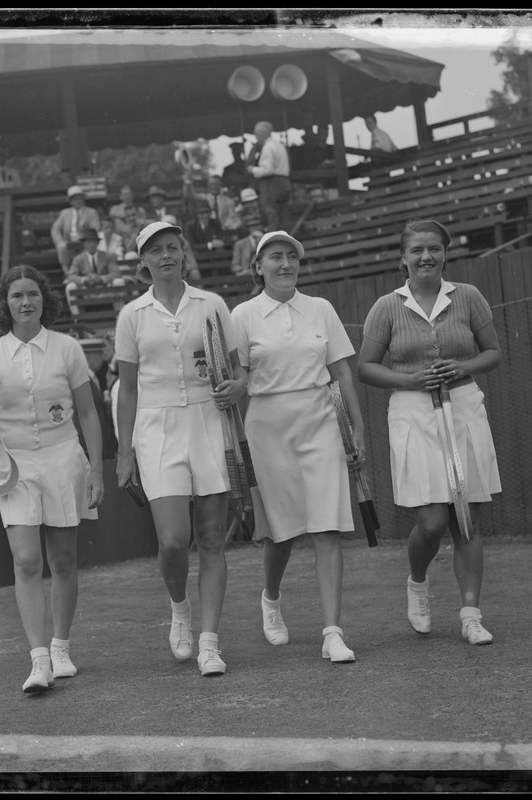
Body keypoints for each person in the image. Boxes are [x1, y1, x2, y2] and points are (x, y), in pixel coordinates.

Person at [358, 219, 502, 647]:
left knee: (467, 518)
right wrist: (410, 380)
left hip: (463, 408)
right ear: (402, 258)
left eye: (435, 249)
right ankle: (417, 584)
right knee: (434, 519)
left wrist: (464, 367)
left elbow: (493, 352)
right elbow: (366, 367)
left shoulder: (469, 297)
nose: (427, 257)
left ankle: (470, 615)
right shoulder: (386, 307)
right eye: (417, 250)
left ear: (445, 253)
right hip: (413, 412)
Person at [114, 220, 247, 677]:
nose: (167, 255)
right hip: (157, 428)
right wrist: (124, 450)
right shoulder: (132, 315)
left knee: (211, 538)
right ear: (144, 262)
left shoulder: (212, 304)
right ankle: (179, 607)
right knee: (173, 541)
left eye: (174, 247)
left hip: (209, 422)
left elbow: (236, 369)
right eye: (157, 250)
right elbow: (127, 390)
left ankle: (209, 642)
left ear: (184, 254)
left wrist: (236, 387)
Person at [0, 264, 104, 694]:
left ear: (45, 300)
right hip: (13, 466)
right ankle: (38, 660)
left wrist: (96, 468)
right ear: (4, 304)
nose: (26, 302)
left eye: (33, 295)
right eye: (17, 296)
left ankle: (61, 648)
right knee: (26, 561)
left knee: (62, 561)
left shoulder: (67, 348)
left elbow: (87, 414)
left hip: (64, 459)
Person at [230, 231, 363, 662]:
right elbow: (240, 380)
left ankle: (332, 633)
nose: (285, 264)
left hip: (321, 420)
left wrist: (356, 428)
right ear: (258, 267)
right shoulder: (243, 315)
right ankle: (271, 599)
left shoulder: (321, 309)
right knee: (281, 533)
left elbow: (342, 371)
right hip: (267, 427)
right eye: (275, 257)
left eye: (291, 257)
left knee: (327, 526)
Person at [63, 226, 127, 318]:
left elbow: (117, 273)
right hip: (86, 290)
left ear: (97, 243)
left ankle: (120, 316)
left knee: (119, 282)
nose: (91, 245)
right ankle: (77, 319)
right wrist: (84, 280)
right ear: (84, 244)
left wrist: (101, 279)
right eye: (89, 242)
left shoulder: (106, 256)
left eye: (94, 242)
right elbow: (70, 276)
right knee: (70, 286)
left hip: (105, 289)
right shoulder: (79, 258)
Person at [246, 121, 292, 231]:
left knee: (270, 212)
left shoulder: (268, 147)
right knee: (283, 215)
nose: (256, 137)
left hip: (272, 184)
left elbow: (268, 170)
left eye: (256, 134)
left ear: (263, 133)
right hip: (284, 182)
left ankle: (272, 240)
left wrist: (252, 169)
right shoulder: (279, 146)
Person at [51, 185, 101, 271]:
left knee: (89, 245)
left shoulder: (91, 212)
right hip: (69, 242)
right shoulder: (65, 213)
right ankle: (67, 272)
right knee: (62, 247)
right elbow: (55, 229)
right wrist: (60, 242)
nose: (78, 201)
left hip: (84, 241)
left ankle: (88, 271)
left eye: (79, 198)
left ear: (83, 199)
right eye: (75, 199)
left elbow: (95, 228)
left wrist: (85, 238)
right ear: (70, 201)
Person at [199, 175, 243, 241]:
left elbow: (232, 217)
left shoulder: (229, 201)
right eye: (211, 184)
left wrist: (225, 226)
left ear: (220, 185)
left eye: (215, 184)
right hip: (207, 233)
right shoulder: (203, 199)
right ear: (208, 186)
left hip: (225, 231)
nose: (213, 186)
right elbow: (189, 195)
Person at [108, 185, 147, 254]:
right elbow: (111, 213)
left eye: (129, 194)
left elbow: (142, 223)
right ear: (120, 196)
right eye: (125, 194)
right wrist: (126, 215)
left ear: (133, 195)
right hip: (121, 236)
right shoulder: (115, 209)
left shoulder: (140, 210)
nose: (127, 196)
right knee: (117, 220)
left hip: (137, 234)